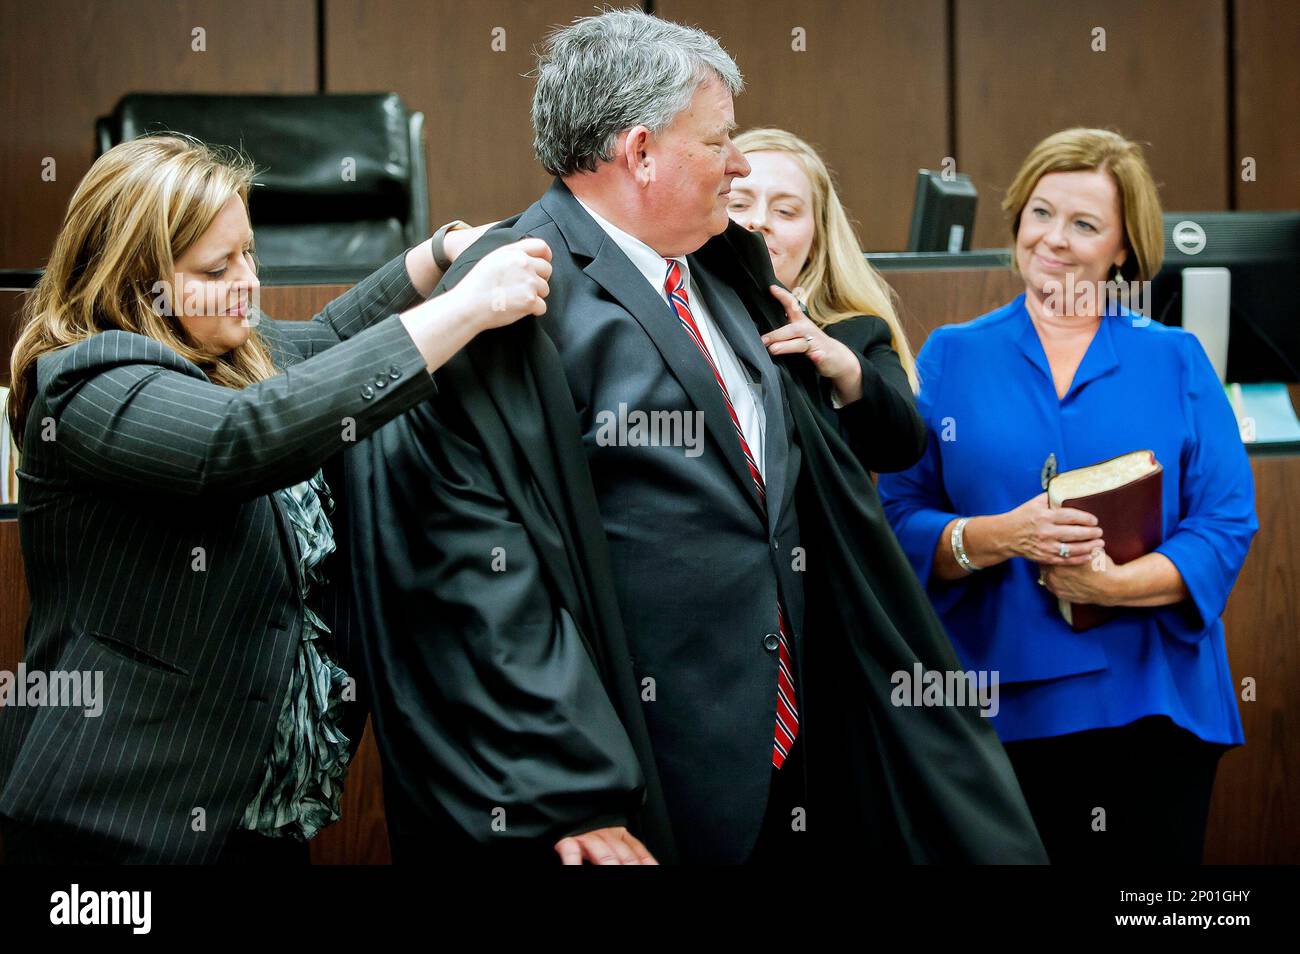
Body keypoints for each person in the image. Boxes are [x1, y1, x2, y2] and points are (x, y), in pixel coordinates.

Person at [346, 8, 1046, 865]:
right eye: (720, 140)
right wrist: (568, 792)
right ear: (640, 152)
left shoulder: (725, 271)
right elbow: (475, 573)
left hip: (796, 756)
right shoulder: (510, 294)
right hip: (643, 779)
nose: (741, 163)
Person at [0, 134, 551, 864]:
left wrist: (442, 253)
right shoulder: (87, 384)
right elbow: (238, 440)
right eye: (216, 267)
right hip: (116, 820)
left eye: (249, 254)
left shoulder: (228, 353)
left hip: (250, 817)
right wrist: (469, 310)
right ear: (137, 282)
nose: (247, 282)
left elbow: (327, 337)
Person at [877, 128, 1257, 863]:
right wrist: (999, 535)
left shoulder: (1175, 358)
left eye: (1084, 224)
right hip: (995, 703)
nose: (1054, 238)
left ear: (1123, 249)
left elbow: (1225, 524)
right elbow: (899, 520)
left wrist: (1112, 586)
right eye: (1040, 213)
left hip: (1152, 701)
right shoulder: (952, 355)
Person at [727, 127, 924, 472]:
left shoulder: (857, 332)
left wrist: (845, 368)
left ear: (818, 236)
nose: (758, 221)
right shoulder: (680, 313)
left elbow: (902, 449)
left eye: (785, 211)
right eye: (739, 204)